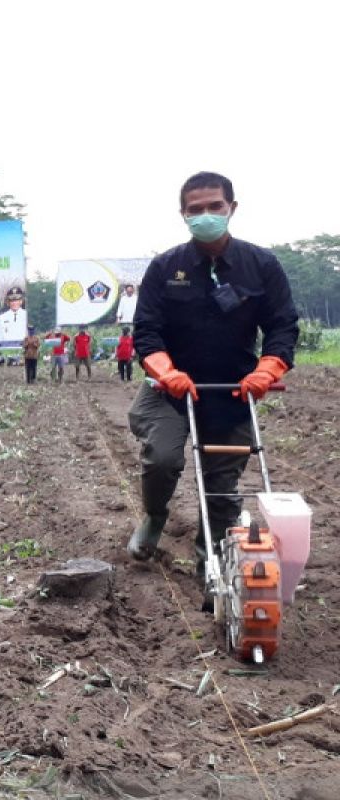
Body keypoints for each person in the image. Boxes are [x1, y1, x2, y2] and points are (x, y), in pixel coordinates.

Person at [126, 172, 299, 588]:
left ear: (231, 208)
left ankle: (214, 564)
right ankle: (154, 516)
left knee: (221, 484)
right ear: (183, 214)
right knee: (163, 459)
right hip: (170, 390)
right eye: (195, 209)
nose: (206, 215)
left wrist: (266, 370)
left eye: (214, 207)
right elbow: (146, 330)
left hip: (232, 390)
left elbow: (282, 326)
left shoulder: (262, 265)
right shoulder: (166, 267)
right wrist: (167, 373)